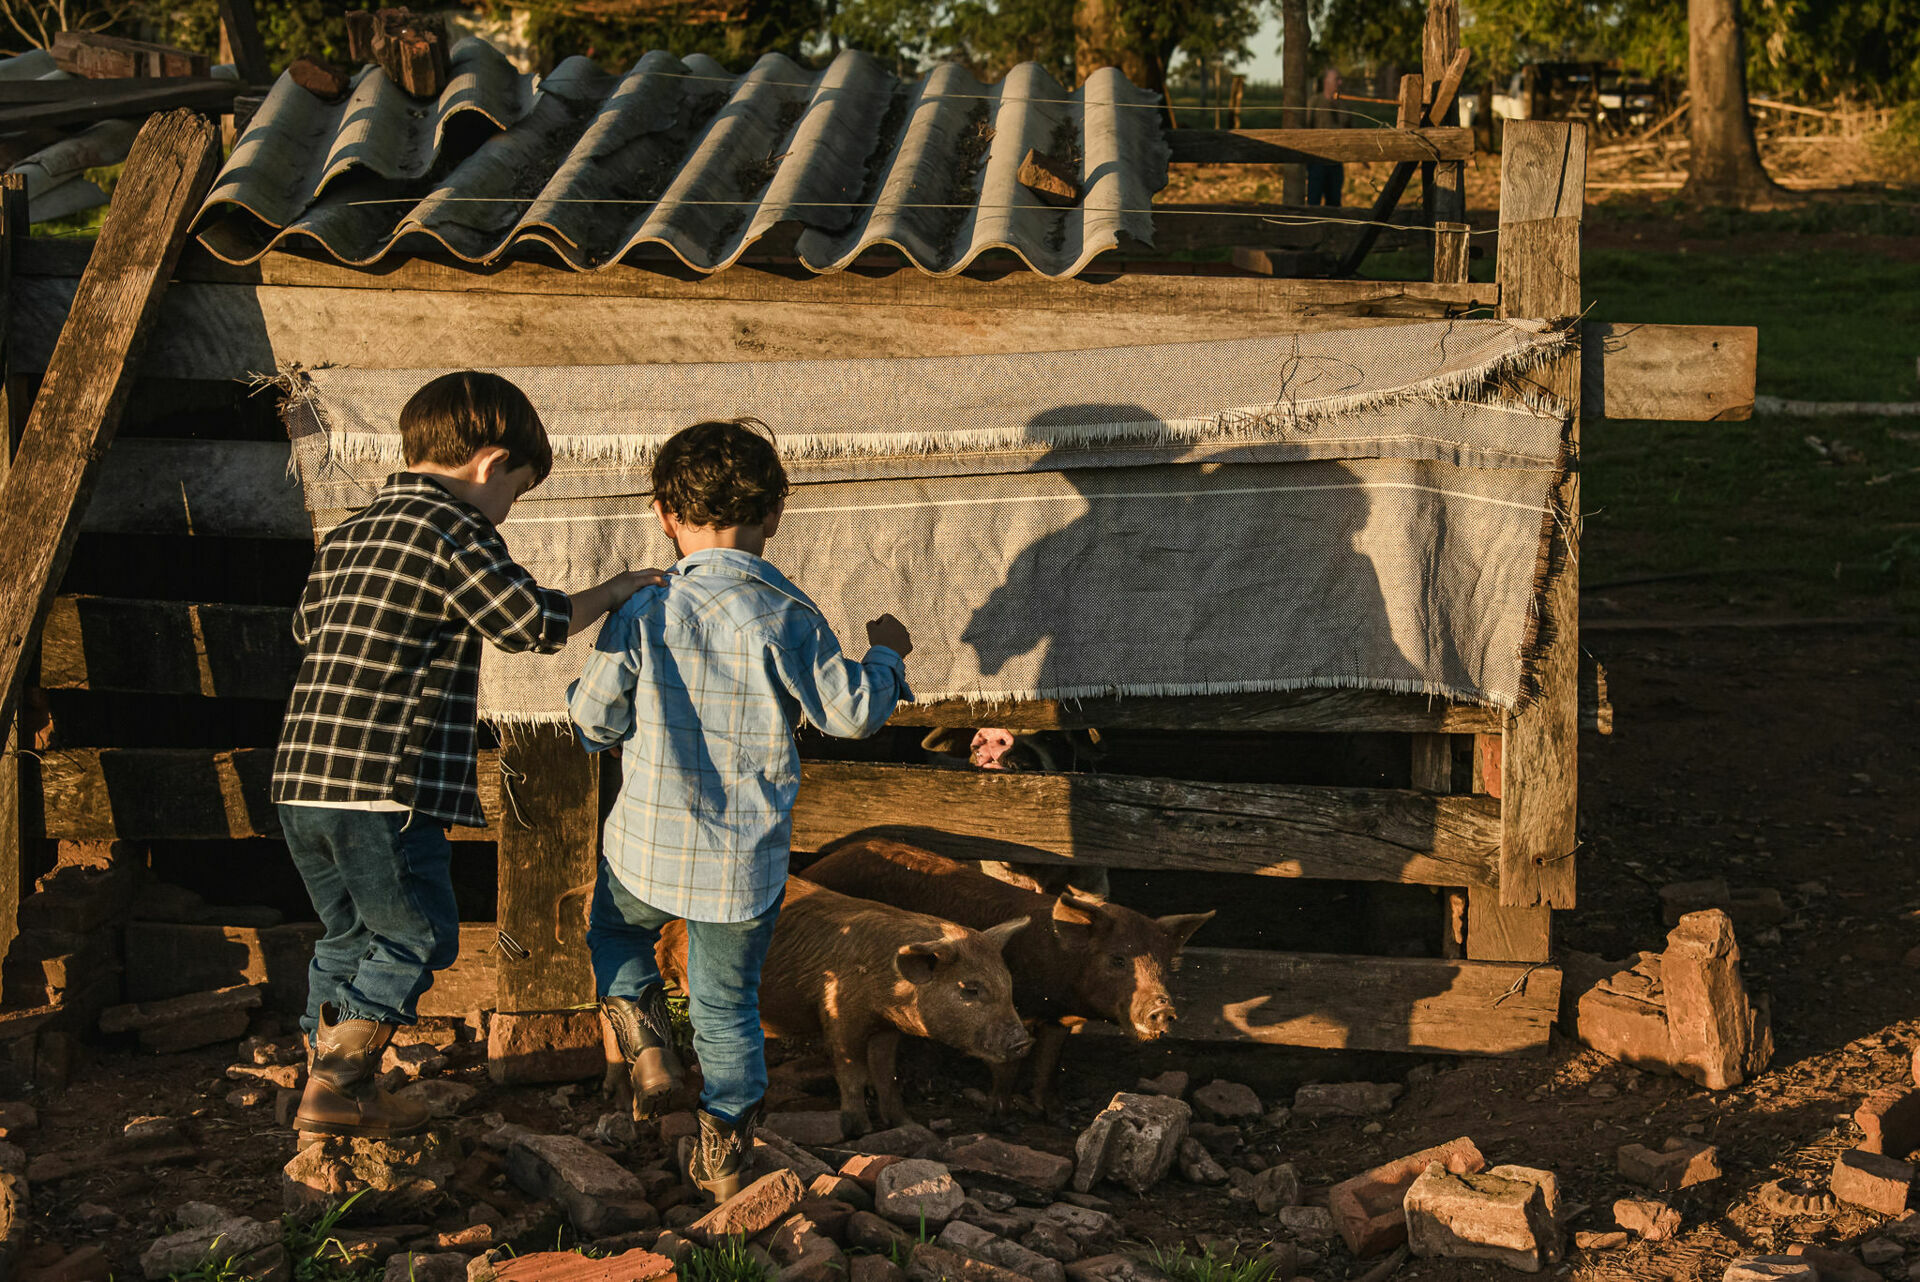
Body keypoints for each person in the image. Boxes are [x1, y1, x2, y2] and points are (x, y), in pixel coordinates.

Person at [274, 371, 663, 1140]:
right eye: (515, 492)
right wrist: (614, 590)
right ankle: (338, 1085)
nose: (507, 510)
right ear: (489, 465)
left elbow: (306, 631)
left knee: (347, 935)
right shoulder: (453, 532)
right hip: (386, 784)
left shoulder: (350, 533)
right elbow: (530, 621)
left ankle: (321, 1077)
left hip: (302, 782)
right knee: (417, 934)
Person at [567, 418, 912, 1202]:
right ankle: (723, 1165)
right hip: (741, 868)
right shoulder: (786, 612)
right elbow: (851, 713)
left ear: (663, 512)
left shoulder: (642, 609)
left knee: (615, 931)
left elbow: (593, 722)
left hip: (646, 848)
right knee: (727, 1009)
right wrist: (888, 653)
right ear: (775, 514)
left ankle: (649, 1047)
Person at [1305, 67, 1349, 206]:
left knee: (1334, 202)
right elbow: (1305, 129)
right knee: (1314, 201)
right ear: (1326, 81)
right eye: (1337, 79)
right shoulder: (1314, 102)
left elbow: (1350, 131)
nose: (1340, 82)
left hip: (1336, 163)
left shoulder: (1343, 105)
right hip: (1317, 162)